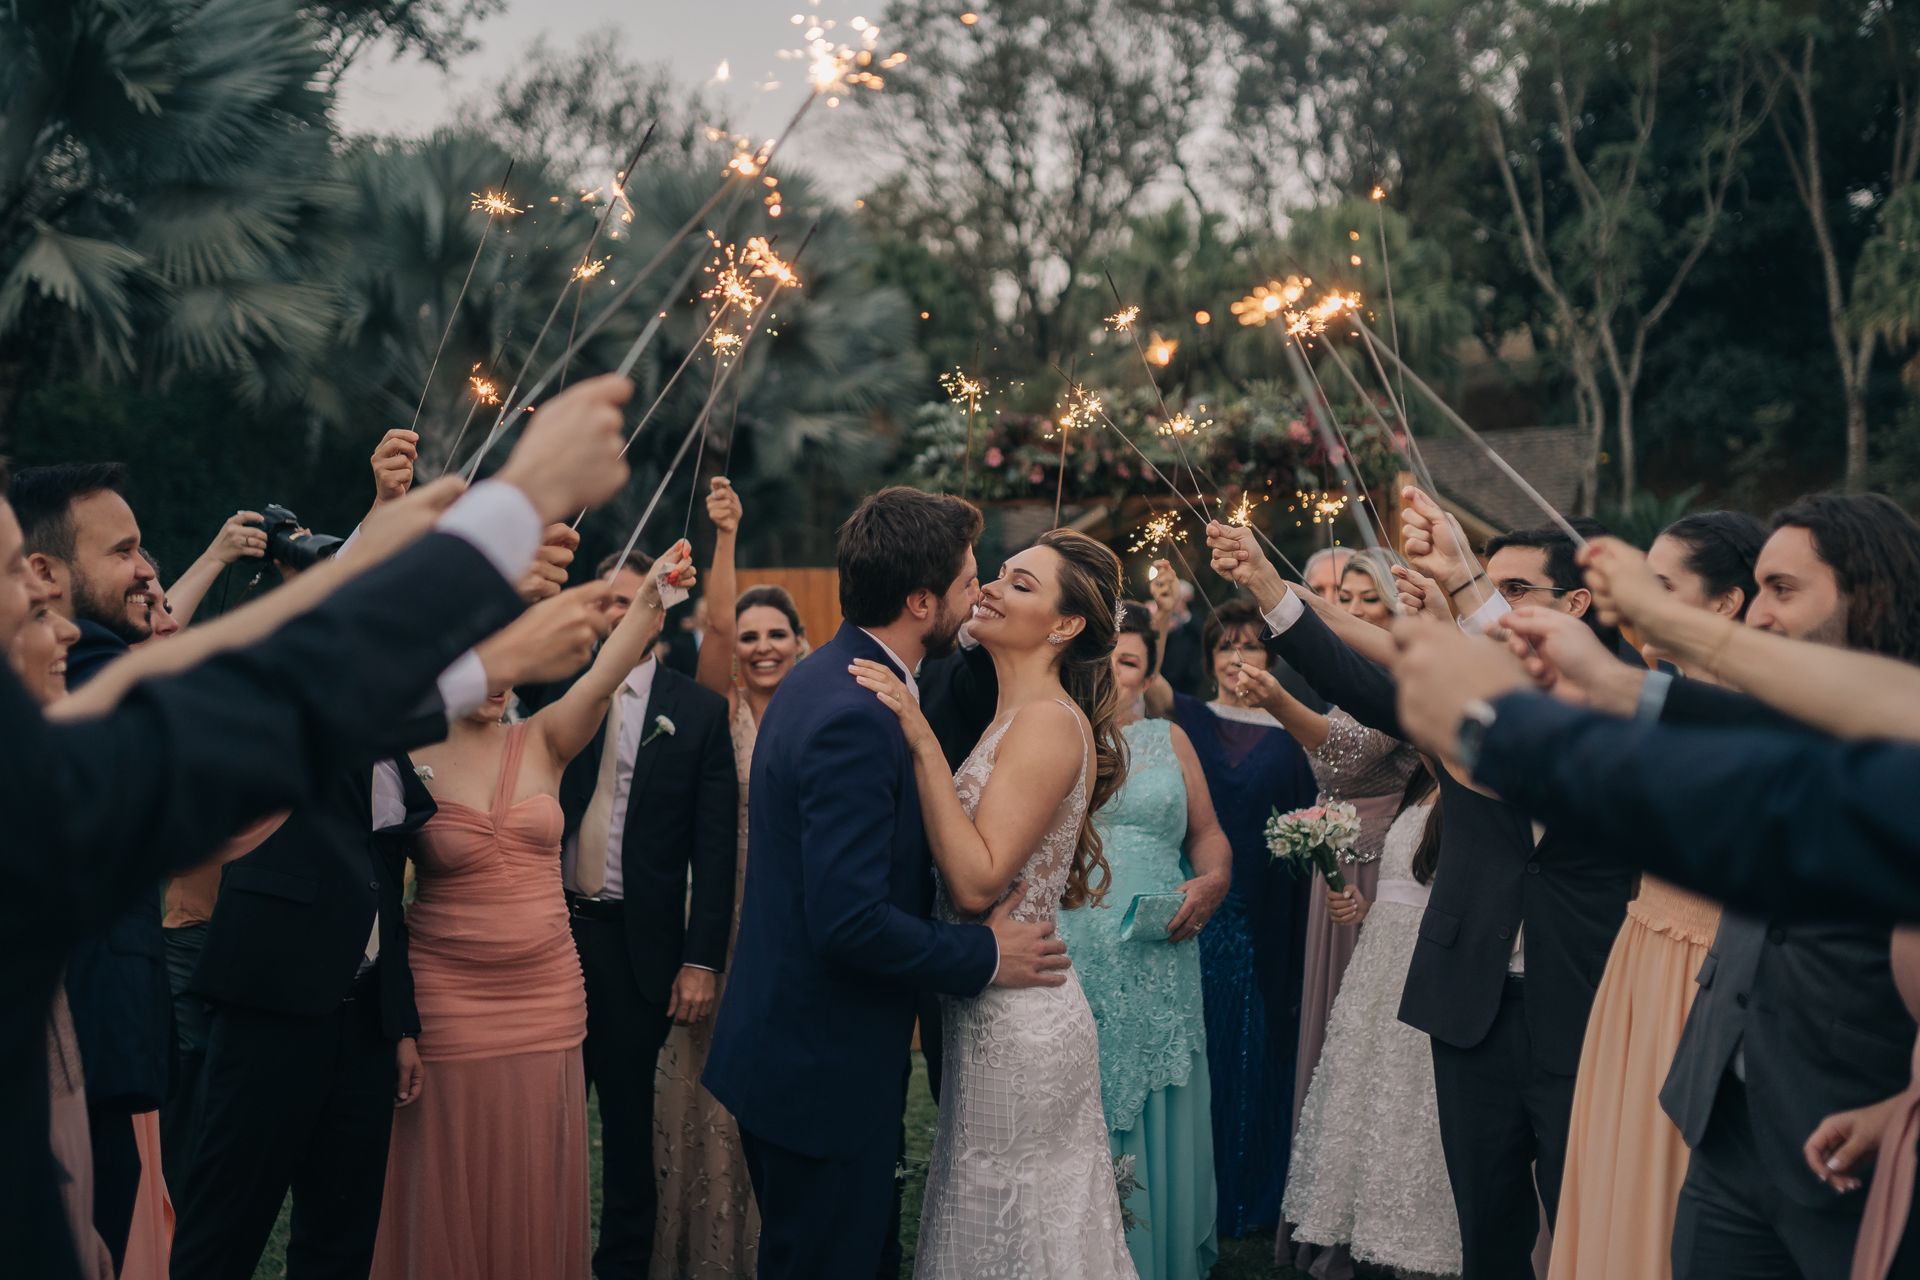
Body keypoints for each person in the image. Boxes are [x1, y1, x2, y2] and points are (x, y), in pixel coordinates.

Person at [3, 373, 639, 1280]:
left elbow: (239, 678)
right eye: (23, 591)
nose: (148, 573)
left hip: (354, 1012)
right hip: (260, 996)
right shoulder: (41, 754)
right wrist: (505, 526)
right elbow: (237, 710)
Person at [1206, 500, 1635, 1278]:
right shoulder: (1471, 705)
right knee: (1486, 1233)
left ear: (1574, 606)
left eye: (1512, 589)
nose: (1486, 603)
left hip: (1586, 1000)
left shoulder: (1628, 703)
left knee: (1593, 1227)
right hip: (1471, 1002)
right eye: (1487, 585)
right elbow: (1367, 682)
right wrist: (1274, 591)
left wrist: (1464, 581)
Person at [702, 486, 1072, 1280]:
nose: (980, 593)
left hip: (800, 1052)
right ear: (919, 599)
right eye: (970, 579)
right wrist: (984, 957)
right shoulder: (855, 714)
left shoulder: (836, 678)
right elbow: (849, 920)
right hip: (819, 1074)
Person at [373, 544, 697, 1280]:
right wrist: (400, 1027)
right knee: (448, 1168)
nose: (500, 678)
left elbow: (607, 669)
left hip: (547, 997)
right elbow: (381, 902)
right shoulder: (403, 752)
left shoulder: (545, 738)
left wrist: (652, 597)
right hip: (446, 997)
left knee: (531, 1168)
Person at [848, 525, 1136, 1276]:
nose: (990, 590)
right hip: (988, 1009)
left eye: (1020, 584)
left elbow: (977, 882)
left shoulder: (1044, 724)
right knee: (989, 1217)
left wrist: (917, 736)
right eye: (998, 574)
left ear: (1065, 626)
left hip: (1023, 1027)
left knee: (1022, 1229)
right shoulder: (1012, 719)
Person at [1548, 511, 1764, 1280]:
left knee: (1675, 1183)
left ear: (1724, 603)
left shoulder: (1755, 715)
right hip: (1640, 957)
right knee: (1618, 1158)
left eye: (1661, 585)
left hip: (1709, 970)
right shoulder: (1656, 694)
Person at [1226, 549, 1422, 1278]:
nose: (1354, 608)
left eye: (1368, 596)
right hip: (1336, 872)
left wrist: (1278, 702)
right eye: (1341, 595)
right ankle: (1331, 1219)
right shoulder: (1342, 683)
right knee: (1339, 1048)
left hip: (1388, 876)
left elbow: (1353, 748)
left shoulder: (1402, 677)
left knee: (1382, 1051)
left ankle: (1384, 1215)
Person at [554, 542, 736, 1280]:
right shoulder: (554, 692)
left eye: (638, 599)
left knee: (629, 1131)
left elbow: (714, 851)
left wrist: (699, 959)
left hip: (637, 951)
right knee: (547, 1127)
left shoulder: (697, 711)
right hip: (550, 937)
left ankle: (621, 1267)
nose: (623, 612)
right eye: (611, 599)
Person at [12, 463, 173, 1272]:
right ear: (45, 572)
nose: (148, 569)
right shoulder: (99, 667)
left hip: (96, 1043)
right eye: (125, 551)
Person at [646, 477, 796, 1279]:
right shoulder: (715, 710)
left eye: (777, 633)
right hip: (720, 919)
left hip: (794, 923)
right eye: (750, 636)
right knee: (707, 1091)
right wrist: (727, 537)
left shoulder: (817, 715)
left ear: (802, 643)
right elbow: (712, 620)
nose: (762, 645)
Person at [1056, 603, 1228, 1280]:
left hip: (1164, 942)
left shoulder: (1168, 738)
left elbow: (1207, 831)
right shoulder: (1055, 732)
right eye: (1099, 661)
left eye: (1127, 661)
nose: (1111, 675)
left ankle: (1159, 1254)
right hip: (1076, 941)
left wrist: (1213, 878)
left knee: (1162, 1076)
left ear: (1147, 673)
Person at [1164, 595, 1319, 1238]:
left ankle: (1247, 1189)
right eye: (1225, 647)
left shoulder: (1302, 730)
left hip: (1271, 907)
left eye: (1250, 645)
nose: (1237, 658)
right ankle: (1187, 1187)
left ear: (1272, 656)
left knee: (1258, 1040)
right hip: (1196, 902)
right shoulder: (1186, 717)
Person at [1282, 768, 1461, 1276]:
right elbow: (1404, 882)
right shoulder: (1419, 782)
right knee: (1366, 1097)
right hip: (1380, 959)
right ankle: (1365, 1233)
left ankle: (1415, 1240)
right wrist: (1368, 905)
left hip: (1425, 959)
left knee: (1409, 1099)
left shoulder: (1473, 787)